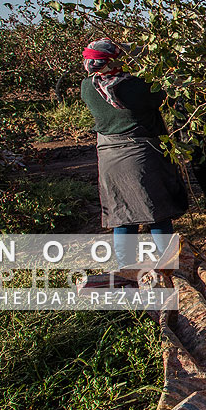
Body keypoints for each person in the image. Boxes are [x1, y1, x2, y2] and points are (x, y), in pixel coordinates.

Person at [80, 38, 188, 269]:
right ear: (112, 62)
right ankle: (170, 265)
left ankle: (126, 268)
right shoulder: (133, 87)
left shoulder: (87, 87)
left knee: (122, 214)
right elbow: (163, 94)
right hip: (138, 155)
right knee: (157, 211)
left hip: (107, 156)